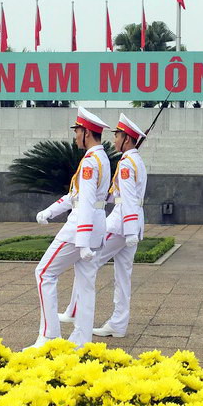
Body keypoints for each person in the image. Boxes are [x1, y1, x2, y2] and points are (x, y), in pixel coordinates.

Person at [26, 107, 111, 349]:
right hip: (96, 227)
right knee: (85, 284)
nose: (75, 136)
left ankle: (49, 336)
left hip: (79, 229)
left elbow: (84, 202)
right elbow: (75, 196)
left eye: (77, 131)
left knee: (44, 274)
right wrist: (50, 212)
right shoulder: (99, 158)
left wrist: (82, 241)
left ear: (86, 132)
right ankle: (82, 339)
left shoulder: (90, 163)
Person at [59, 113, 148, 338]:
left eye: (117, 135)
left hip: (120, 224)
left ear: (126, 139)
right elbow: (120, 196)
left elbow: (126, 197)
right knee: (123, 275)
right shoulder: (135, 161)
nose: (114, 140)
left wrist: (127, 230)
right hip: (133, 223)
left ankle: (74, 311)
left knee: (87, 262)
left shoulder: (127, 163)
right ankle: (118, 324)